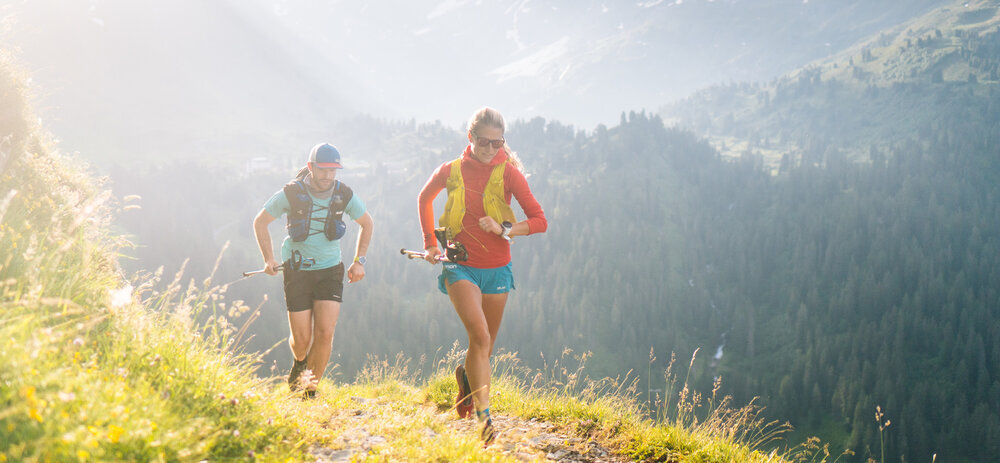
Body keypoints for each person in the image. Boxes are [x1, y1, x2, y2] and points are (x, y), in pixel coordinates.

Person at [417, 107, 547, 445]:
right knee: (480, 336)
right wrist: (431, 244)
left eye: (497, 143)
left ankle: (465, 376)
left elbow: (538, 220)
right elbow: (424, 198)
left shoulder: (510, 174)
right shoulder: (451, 170)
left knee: (484, 347)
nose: (490, 149)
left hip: (498, 269)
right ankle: (484, 417)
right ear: (470, 138)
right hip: (459, 264)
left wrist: (505, 228)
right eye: (484, 142)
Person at [253, 143, 374, 398]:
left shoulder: (344, 194)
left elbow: (366, 222)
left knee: (325, 332)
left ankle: (309, 392)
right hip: (296, 270)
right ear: (311, 167)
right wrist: (268, 259)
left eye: (333, 171)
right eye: (323, 170)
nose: (328, 176)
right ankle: (299, 362)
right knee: (301, 341)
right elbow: (260, 222)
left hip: (330, 270)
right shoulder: (292, 193)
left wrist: (359, 260)